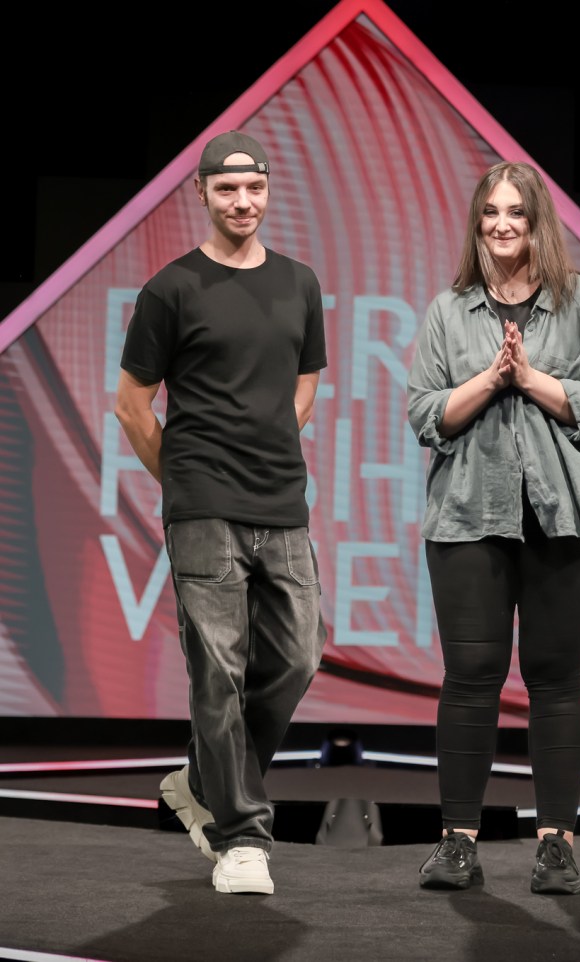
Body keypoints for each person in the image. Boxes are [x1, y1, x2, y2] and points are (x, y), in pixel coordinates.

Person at [406, 160, 580, 895]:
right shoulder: (449, 311)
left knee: (556, 678)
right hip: (468, 516)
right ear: (477, 223)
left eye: (517, 212)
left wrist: (532, 378)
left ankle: (556, 847)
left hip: (563, 517)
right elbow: (424, 412)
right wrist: (491, 378)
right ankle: (457, 842)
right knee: (469, 679)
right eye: (490, 212)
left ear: (539, 222)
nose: (502, 224)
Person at [115, 130, 328, 895]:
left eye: (255, 188)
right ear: (201, 192)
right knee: (219, 669)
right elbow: (132, 405)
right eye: (228, 189)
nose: (243, 201)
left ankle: (202, 781)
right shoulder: (170, 290)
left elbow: (305, 382)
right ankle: (240, 836)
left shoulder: (299, 283)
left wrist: (265, 443)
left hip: (281, 500)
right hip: (204, 506)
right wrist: (188, 479)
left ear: (268, 190)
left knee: (299, 654)